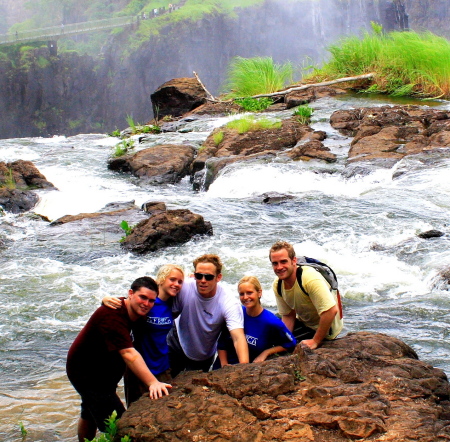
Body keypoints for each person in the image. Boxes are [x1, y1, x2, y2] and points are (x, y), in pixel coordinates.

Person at [66, 277, 171, 442]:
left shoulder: (136, 311)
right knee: (119, 426)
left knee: (89, 411)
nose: (146, 303)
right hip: (88, 374)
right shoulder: (112, 315)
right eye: (142, 297)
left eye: (151, 300)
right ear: (130, 294)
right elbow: (129, 353)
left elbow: (169, 288)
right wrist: (153, 383)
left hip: (104, 372)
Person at [103, 264, 184, 405]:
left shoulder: (173, 302)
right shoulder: (147, 302)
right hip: (139, 367)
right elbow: (127, 304)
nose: (176, 284)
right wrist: (105, 300)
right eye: (172, 279)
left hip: (163, 365)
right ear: (161, 279)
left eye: (180, 282)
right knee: (135, 411)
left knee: (164, 409)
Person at [167, 254, 249, 377]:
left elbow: (238, 337)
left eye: (209, 277)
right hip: (176, 340)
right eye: (199, 276)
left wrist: (244, 369)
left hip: (203, 353)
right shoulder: (184, 288)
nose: (203, 281)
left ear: (218, 277)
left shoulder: (228, 302)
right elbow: (164, 309)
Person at [269, 241, 343, 350]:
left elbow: (331, 310)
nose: (279, 267)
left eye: (283, 262)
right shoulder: (278, 284)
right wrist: (285, 339)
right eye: (275, 263)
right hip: (305, 322)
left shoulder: (309, 278)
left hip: (326, 328)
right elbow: (289, 315)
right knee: (270, 328)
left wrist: (315, 341)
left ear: (294, 261)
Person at [217, 276, 296, 366]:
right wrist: (224, 366)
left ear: (259, 293)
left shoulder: (271, 322)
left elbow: (291, 343)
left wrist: (266, 352)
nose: (245, 297)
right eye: (242, 294)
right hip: (223, 366)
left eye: (249, 293)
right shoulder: (235, 313)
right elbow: (222, 344)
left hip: (246, 369)